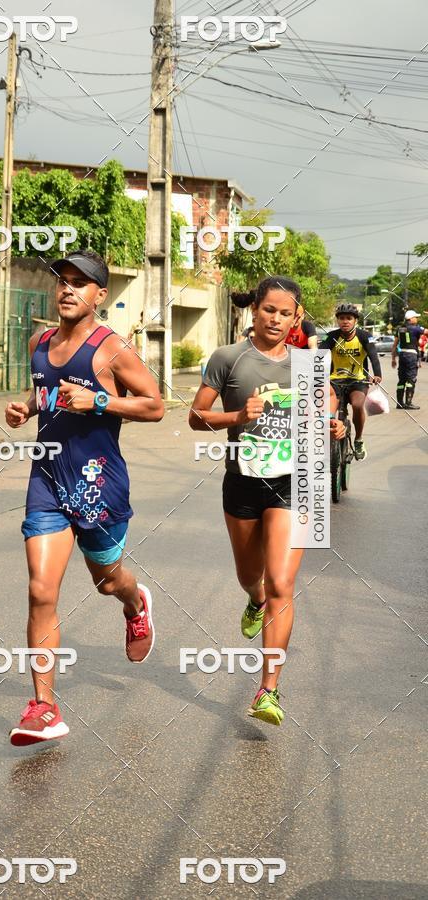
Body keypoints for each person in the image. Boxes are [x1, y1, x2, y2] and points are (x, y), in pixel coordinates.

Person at [5, 249, 164, 746]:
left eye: (81, 283)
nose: (68, 289)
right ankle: (44, 708)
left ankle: (136, 603)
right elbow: (45, 389)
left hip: (99, 484)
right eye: (63, 281)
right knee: (40, 590)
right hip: (47, 480)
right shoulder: (38, 342)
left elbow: (155, 405)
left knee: (107, 580)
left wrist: (98, 399)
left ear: (100, 295)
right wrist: (26, 408)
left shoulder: (111, 349)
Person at [188, 276, 341, 727]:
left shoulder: (308, 363)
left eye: (285, 312)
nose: (275, 319)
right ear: (253, 310)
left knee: (282, 584)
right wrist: (237, 416)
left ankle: (268, 690)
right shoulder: (227, 359)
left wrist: (335, 426)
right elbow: (197, 417)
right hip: (243, 483)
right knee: (250, 576)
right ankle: (252, 599)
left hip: (296, 483)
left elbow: (327, 407)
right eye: (268, 309)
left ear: (297, 318)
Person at [320, 303, 382, 460]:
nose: (345, 321)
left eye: (349, 318)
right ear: (337, 321)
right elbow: (318, 355)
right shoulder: (332, 336)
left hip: (358, 381)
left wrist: (377, 374)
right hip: (334, 381)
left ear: (355, 320)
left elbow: (374, 356)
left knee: (357, 405)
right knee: (326, 413)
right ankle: (325, 441)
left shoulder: (364, 336)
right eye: (341, 318)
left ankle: (359, 439)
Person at [392, 310, 428, 410]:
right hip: (411, 355)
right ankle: (408, 403)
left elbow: (395, 345)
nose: (416, 319)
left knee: (402, 380)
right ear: (410, 319)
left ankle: (399, 403)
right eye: (415, 317)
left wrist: (393, 359)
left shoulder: (400, 329)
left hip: (402, 355)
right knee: (411, 378)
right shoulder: (416, 328)